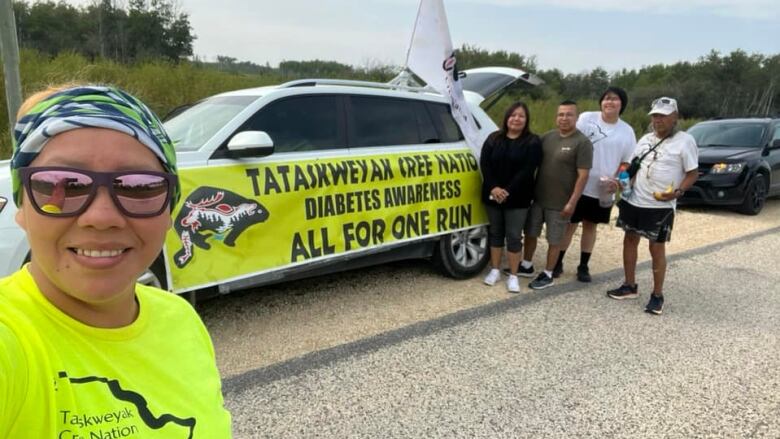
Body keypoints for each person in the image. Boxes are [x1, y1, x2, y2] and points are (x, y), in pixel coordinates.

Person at [0, 85, 232, 437]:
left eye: (138, 186)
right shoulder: (10, 340)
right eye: (64, 184)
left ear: (169, 210)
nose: (102, 216)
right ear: (23, 209)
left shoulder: (181, 319)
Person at [606, 97, 698, 315]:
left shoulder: (685, 141)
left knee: (656, 248)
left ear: (675, 117)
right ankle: (629, 285)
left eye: (663, 116)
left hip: (660, 205)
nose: (658, 120)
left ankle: (657, 295)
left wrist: (678, 192)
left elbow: (693, 173)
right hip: (633, 199)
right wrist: (622, 180)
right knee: (629, 239)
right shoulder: (646, 139)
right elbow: (633, 166)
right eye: (655, 115)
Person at [557, 87, 636, 282]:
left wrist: (618, 179)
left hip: (602, 188)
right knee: (569, 224)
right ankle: (557, 261)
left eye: (615, 99)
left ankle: (583, 266)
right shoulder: (586, 118)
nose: (610, 102)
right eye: (607, 99)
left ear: (622, 104)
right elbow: (571, 139)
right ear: (601, 102)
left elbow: (627, 161)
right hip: (577, 183)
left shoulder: (626, 131)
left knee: (590, 226)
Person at [523, 100, 593, 290]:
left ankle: (548, 273)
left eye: (569, 114)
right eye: (561, 114)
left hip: (561, 203)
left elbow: (583, 176)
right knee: (530, 233)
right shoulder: (547, 137)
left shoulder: (582, 143)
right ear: (556, 117)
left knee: (554, 240)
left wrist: (572, 202)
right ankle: (526, 264)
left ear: (576, 118)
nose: (564, 118)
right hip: (538, 199)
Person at [480, 101, 542, 293]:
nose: (516, 119)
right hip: (492, 194)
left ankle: (514, 275)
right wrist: (494, 188)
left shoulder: (532, 141)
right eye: (513, 115)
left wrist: (506, 190)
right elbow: (485, 164)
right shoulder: (493, 138)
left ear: (526, 120)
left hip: (518, 197)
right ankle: (495, 270)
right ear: (507, 117)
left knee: (514, 236)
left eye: (521, 116)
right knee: (496, 233)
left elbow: (528, 169)